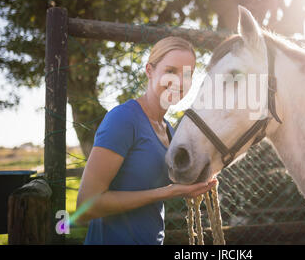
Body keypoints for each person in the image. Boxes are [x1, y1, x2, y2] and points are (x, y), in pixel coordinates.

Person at [77, 36, 217, 245]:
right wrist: (167, 193)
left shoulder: (169, 130)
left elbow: (167, 182)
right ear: (149, 71)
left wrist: (200, 178)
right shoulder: (124, 119)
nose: (179, 82)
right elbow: (84, 207)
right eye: (170, 71)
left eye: (187, 74)